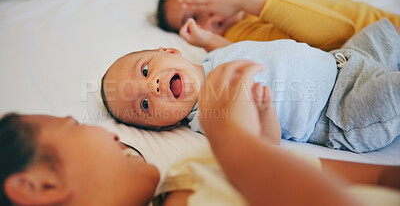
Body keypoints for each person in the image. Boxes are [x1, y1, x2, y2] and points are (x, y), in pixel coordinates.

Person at [101, 18, 400, 153]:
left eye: (145, 70)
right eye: (144, 105)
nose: (151, 87)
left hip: (344, 62)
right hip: (344, 111)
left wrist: (205, 39)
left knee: (386, 30)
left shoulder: (212, 59)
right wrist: (264, 108)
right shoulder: (210, 115)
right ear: (164, 126)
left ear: (168, 51)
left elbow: (238, 49)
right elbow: (266, 144)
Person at [1, 112, 400, 204]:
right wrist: (232, 138)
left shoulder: (194, 169)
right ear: (40, 184)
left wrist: (255, 149)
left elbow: (381, 179)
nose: (110, 130)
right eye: (74, 125)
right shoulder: (224, 155)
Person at [157, 0, 400, 52]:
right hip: (388, 42)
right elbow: (339, 34)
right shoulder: (240, 34)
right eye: (195, 19)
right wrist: (244, 0)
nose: (210, 10)